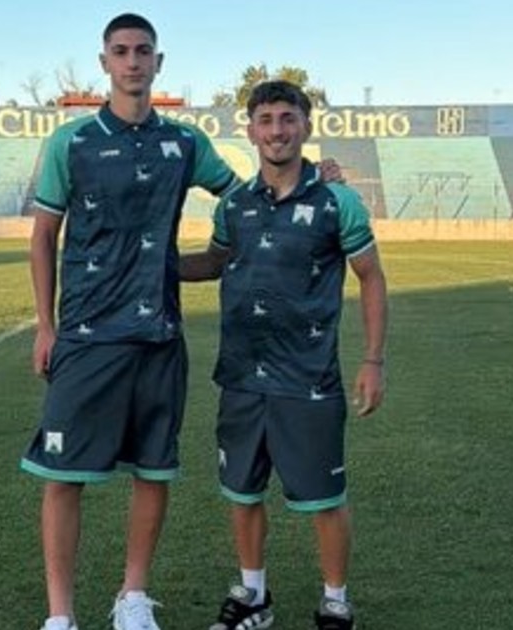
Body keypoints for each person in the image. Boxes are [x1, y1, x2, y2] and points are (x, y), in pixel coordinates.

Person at [20, 14, 343, 630]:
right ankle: (60, 616)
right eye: (121, 51)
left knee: (153, 470)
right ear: (105, 62)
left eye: (143, 51)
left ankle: (133, 597)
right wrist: (45, 324)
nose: (132, 62)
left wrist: (312, 177)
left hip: (159, 335)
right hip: (86, 333)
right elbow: (43, 237)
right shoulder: (71, 142)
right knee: (62, 476)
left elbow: (250, 194)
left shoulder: (185, 143)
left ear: (158, 62)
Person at [180, 80, 388, 630]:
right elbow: (214, 262)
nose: (277, 130)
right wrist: (158, 265)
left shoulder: (337, 201)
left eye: (288, 118)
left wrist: (373, 360)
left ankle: (335, 602)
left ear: (306, 126)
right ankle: (253, 595)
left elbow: (370, 277)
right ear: (250, 131)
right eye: (266, 120)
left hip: (309, 379)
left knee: (325, 499)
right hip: (242, 378)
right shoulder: (233, 206)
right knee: (242, 492)